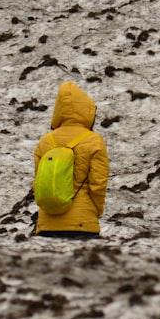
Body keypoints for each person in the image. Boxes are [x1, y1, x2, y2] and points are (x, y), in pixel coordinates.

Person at [33, 82, 109, 238]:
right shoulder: (94, 140)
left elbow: (38, 182)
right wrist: (96, 209)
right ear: (87, 111)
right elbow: (98, 183)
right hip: (82, 223)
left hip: (46, 224)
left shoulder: (45, 141)